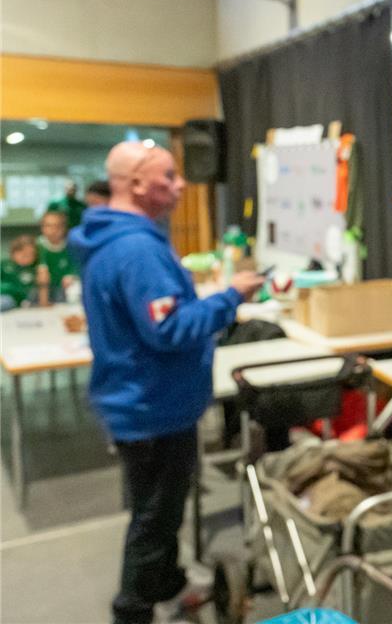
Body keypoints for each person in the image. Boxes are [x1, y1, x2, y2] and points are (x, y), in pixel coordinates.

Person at [69, 141, 264, 624]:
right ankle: (132, 609)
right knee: (154, 519)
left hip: (141, 399)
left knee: (159, 511)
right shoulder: (137, 248)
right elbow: (171, 329)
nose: (181, 185)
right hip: (153, 408)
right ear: (136, 184)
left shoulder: (114, 238)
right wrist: (230, 298)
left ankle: (169, 584)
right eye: (169, 177)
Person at [37, 210, 77, 303]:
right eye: (48, 226)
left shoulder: (72, 246)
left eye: (57, 226)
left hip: (65, 291)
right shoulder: (36, 246)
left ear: (64, 228)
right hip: (41, 292)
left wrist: (72, 276)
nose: (53, 230)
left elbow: (78, 267)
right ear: (42, 227)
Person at [1, 236, 39, 311]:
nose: (26, 257)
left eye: (31, 255)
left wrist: (10, 288)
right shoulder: (4, 264)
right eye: (23, 254)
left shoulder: (32, 271)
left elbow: (24, 292)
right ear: (13, 252)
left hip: (11, 299)